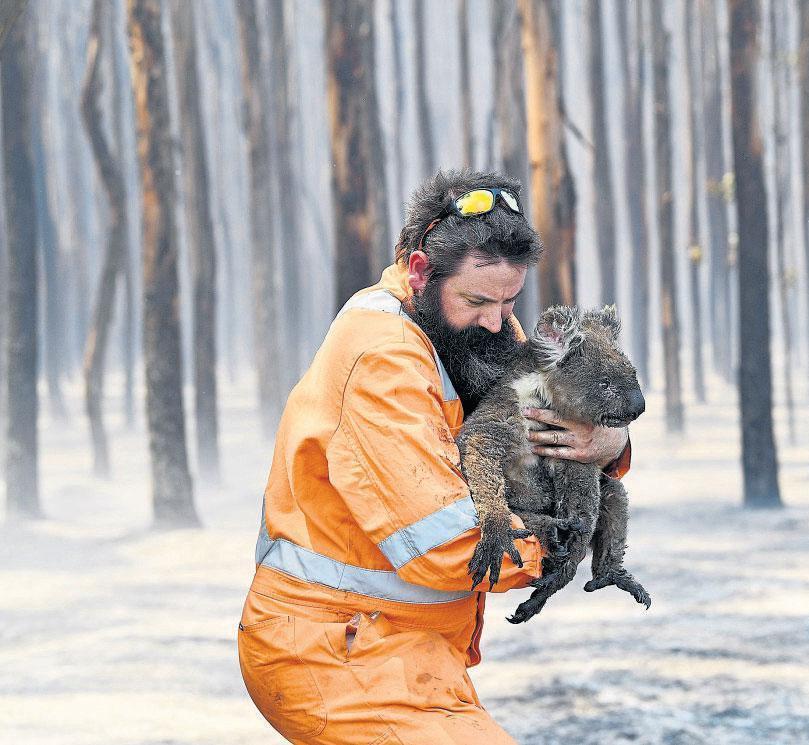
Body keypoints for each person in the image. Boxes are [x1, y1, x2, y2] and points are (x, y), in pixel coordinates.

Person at [237, 170, 632, 744]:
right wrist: (564, 544)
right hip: (334, 651)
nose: (500, 321)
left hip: (404, 648)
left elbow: (551, 422)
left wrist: (609, 446)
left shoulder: (468, 324)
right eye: (479, 300)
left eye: (510, 300)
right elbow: (445, 543)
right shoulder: (384, 361)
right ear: (422, 272)